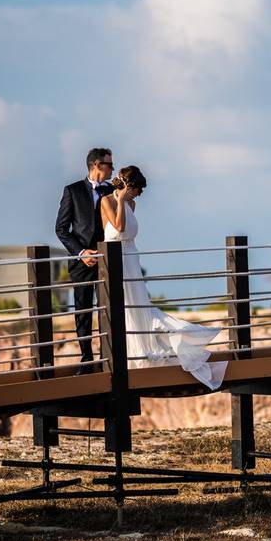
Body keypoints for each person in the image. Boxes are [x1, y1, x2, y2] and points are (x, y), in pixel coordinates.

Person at [100, 166, 227, 390]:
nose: (140, 194)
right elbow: (118, 226)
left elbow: (128, 230)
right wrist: (120, 200)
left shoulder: (133, 204)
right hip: (114, 258)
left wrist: (126, 201)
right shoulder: (107, 202)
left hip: (131, 258)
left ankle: (145, 351)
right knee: (124, 307)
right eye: (138, 189)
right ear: (129, 186)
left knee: (140, 306)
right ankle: (128, 356)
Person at [55, 148, 114, 367]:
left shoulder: (112, 190)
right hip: (81, 263)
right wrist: (81, 253)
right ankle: (86, 359)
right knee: (83, 311)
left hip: (108, 261)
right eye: (109, 165)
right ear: (97, 165)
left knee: (108, 310)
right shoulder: (72, 191)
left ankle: (106, 358)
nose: (112, 169)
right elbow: (61, 229)